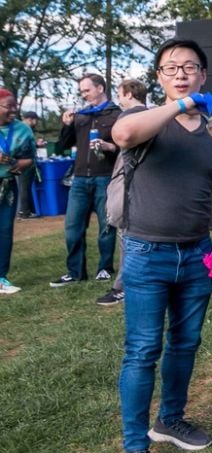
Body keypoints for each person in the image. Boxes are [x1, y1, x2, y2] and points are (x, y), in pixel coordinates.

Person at [111, 39, 212, 453]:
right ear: (159, 78)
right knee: (143, 350)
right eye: (171, 68)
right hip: (145, 253)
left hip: (197, 252)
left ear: (204, 75)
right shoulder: (144, 117)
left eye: (190, 67)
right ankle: (136, 446)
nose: (181, 74)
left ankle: (169, 420)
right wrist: (181, 105)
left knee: (186, 342)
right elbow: (124, 134)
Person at [50, 73, 122, 287]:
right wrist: (67, 125)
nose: (84, 95)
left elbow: (126, 147)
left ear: (100, 88)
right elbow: (63, 145)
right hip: (80, 179)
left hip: (105, 178)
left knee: (106, 227)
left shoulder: (116, 114)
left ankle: (105, 268)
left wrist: (111, 147)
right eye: (82, 91)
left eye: (86, 90)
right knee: (72, 228)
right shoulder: (80, 116)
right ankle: (75, 272)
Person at [95, 79, 148, 307]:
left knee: (127, 237)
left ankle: (121, 287)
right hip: (145, 188)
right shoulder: (152, 115)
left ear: (128, 94)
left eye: (120, 93)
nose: (119, 98)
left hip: (129, 185)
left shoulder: (127, 117)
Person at [0, 89, 35, 294]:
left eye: (15, 106)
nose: (13, 110)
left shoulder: (22, 130)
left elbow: (29, 160)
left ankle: (1, 278)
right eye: (8, 106)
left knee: (4, 231)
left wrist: (13, 162)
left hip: (6, 186)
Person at [17, 111, 42, 219]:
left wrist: (36, 144)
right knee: (24, 187)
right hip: (24, 161)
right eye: (35, 120)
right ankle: (24, 212)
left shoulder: (17, 128)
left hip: (16, 161)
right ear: (30, 119)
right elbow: (24, 147)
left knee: (22, 187)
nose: (36, 122)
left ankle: (24, 210)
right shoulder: (24, 129)